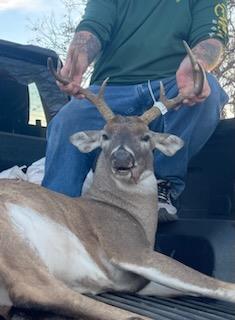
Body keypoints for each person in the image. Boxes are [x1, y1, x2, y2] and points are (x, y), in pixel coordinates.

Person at [42, 0, 229, 222]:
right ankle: (55, 208)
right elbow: (92, 28)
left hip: (170, 86)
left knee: (207, 91)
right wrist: (79, 55)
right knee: (68, 119)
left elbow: (211, 39)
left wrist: (196, 65)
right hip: (111, 89)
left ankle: (159, 187)